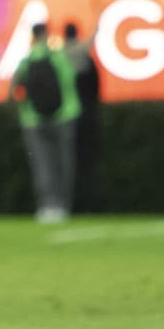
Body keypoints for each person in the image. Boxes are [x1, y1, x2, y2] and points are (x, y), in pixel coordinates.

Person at [9, 23, 82, 224]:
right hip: (64, 116)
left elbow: (14, 89)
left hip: (33, 120)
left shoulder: (27, 60)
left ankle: (46, 206)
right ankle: (63, 206)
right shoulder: (59, 57)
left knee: (42, 164)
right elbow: (71, 80)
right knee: (64, 163)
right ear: (47, 35)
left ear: (32, 37)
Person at [63, 23, 101, 213]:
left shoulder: (60, 56)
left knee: (65, 162)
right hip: (86, 117)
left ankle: (64, 204)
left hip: (63, 119)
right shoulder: (83, 56)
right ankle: (87, 202)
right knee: (86, 162)